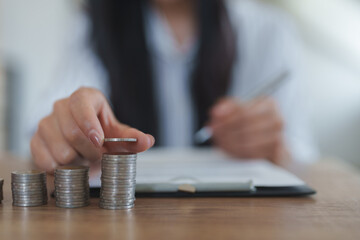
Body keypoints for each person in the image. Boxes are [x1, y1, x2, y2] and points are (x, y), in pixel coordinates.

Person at [29, 0, 318, 173]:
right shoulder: (93, 24)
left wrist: (277, 148)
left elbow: (304, 153)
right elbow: (44, 127)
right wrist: (65, 129)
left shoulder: (269, 31)